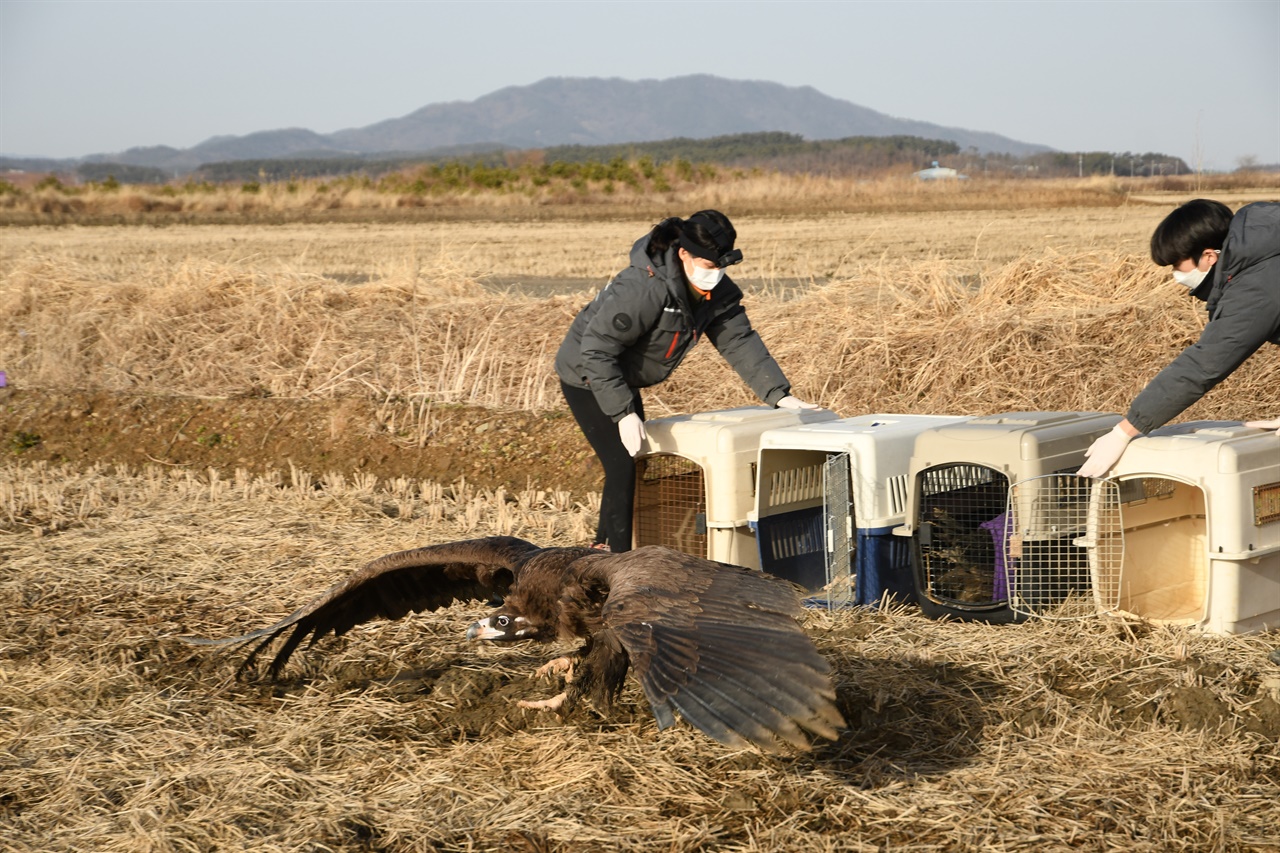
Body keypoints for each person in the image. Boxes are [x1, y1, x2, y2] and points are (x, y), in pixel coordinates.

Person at [554, 209, 818, 552]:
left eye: (722, 267)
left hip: (621, 375)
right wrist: (623, 413)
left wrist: (778, 394)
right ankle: (617, 561)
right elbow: (597, 350)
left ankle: (600, 549)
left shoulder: (715, 291)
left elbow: (738, 340)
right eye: (709, 266)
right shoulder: (643, 289)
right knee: (622, 462)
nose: (716, 274)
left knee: (629, 461)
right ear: (684, 254)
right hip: (587, 373)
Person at [1078, 199, 1280, 478]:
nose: (1176, 275)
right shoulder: (1264, 249)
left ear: (1209, 256)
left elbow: (1205, 364)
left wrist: (1124, 431)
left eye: (1177, 264)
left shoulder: (1256, 286)